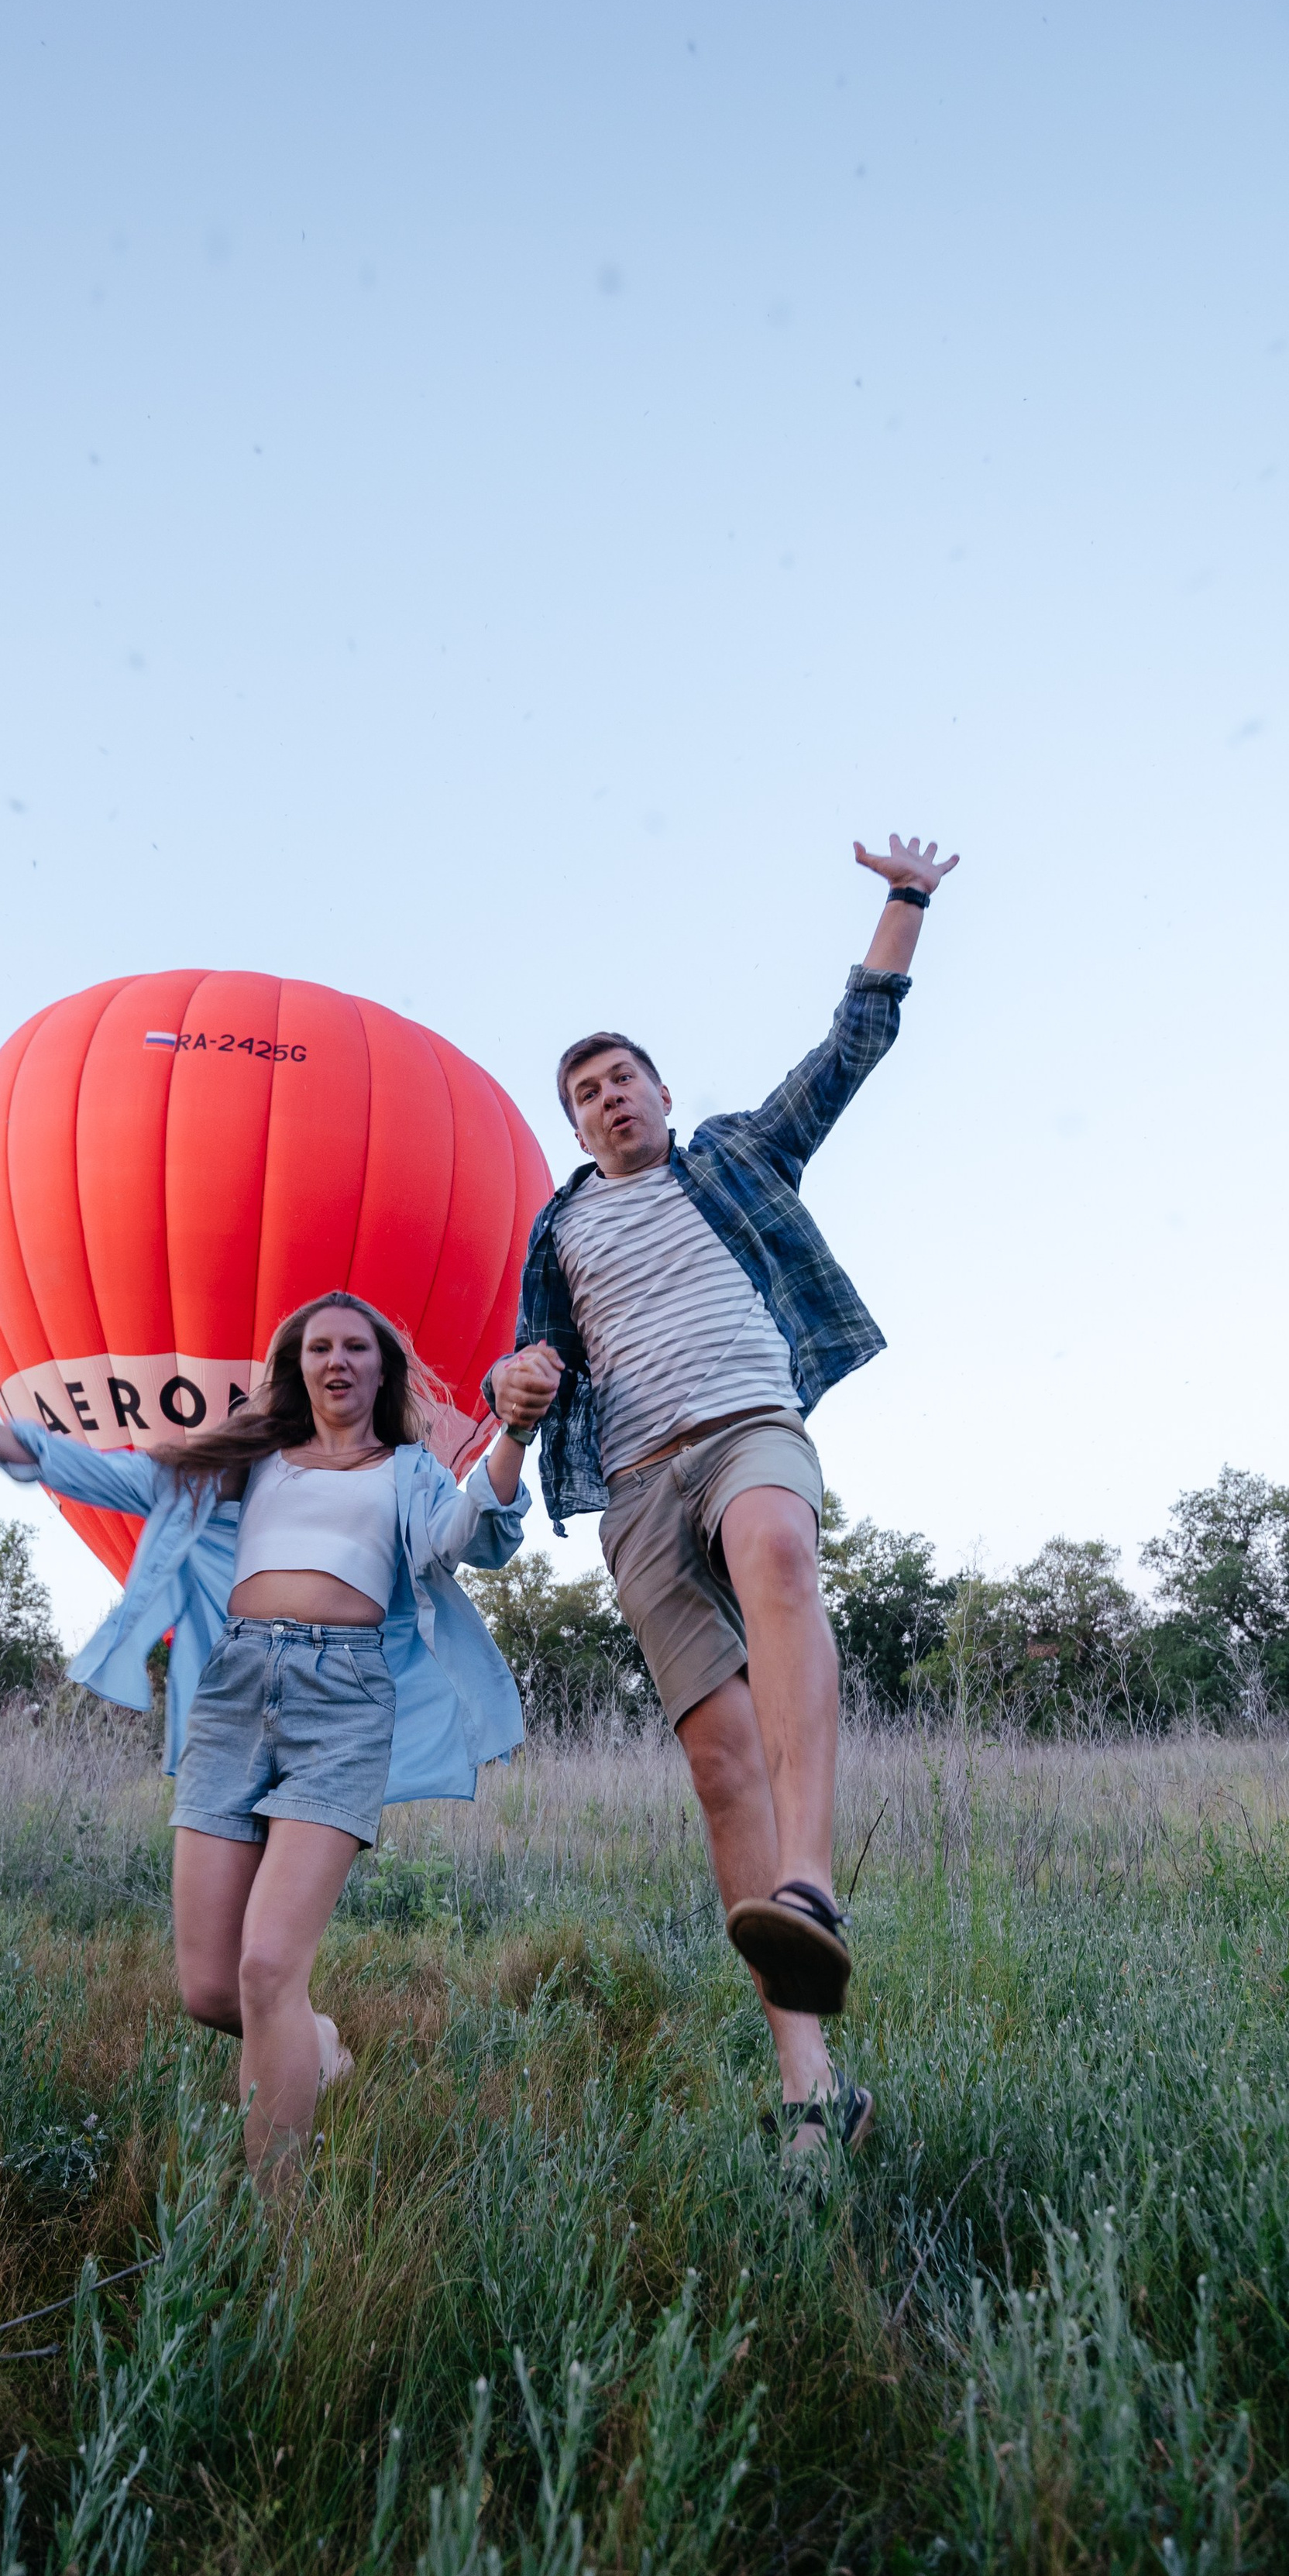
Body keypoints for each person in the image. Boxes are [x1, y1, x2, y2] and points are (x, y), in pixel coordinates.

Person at [485, 832, 959, 2163]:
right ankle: (814, 2089)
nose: (607, 1099)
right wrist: (518, 1385)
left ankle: (812, 1877)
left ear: (662, 1090)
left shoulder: (739, 1158)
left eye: (623, 1077)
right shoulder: (557, 1233)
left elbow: (850, 1051)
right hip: (634, 1487)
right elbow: (534, 1372)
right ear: (569, 1124)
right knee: (716, 1761)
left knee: (779, 1554)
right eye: (583, 1092)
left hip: (749, 1424)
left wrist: (904, 902)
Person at [0, 1292, 531, 2185]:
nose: (338, 1361)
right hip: (231, 1697)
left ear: (383, 1368)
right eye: (319, 1347)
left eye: (357, 1347)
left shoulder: (407, 1471)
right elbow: (111, 1476)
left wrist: (513, 1435)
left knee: (269, 1965)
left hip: (343, 1703)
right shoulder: (251, 1463)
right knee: (210, 1990)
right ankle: (314, 2040)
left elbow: (469, 1536)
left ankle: (282, 2230)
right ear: (295, 1367)